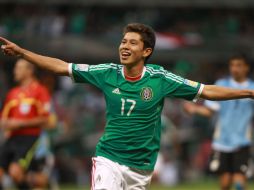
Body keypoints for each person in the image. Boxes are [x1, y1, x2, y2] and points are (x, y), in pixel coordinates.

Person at [1, 23, 254, 190]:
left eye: (132, 43)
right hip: (109, 158)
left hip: (141, 167)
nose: (124, 46)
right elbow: (61, 67)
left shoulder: (160, 79)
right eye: (123, 41)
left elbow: (206, 90)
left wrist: (248, 92)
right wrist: (23, 52)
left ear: (146, 51)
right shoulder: (106, 72)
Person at [184, 55, 254, 190]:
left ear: (246, 68)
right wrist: (194, 110)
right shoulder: (222, 85)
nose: (235, 69)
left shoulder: (252, 88)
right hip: (222, 142)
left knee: (239, 182)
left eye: (239, 65)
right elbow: (210, 111)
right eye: (232, 65)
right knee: (225, 183)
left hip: (242, 142)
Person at [0, 59, 52, 189]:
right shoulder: (13, 93)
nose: (15, 71)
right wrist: (6, 125)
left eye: (19, 68)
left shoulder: (40, 91)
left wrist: (20, 124)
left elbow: (45, 120)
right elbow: (4, 120)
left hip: (30, 139)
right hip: (12, 138)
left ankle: (41, 182)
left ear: (29, 71)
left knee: (15, 172)